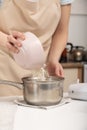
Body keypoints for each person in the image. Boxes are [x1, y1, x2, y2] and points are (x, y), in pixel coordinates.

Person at [0, 0, 73, 96]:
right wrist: (6, 40)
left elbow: (62, 30)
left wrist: (53, 60)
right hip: (5, 64)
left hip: (41, 67)